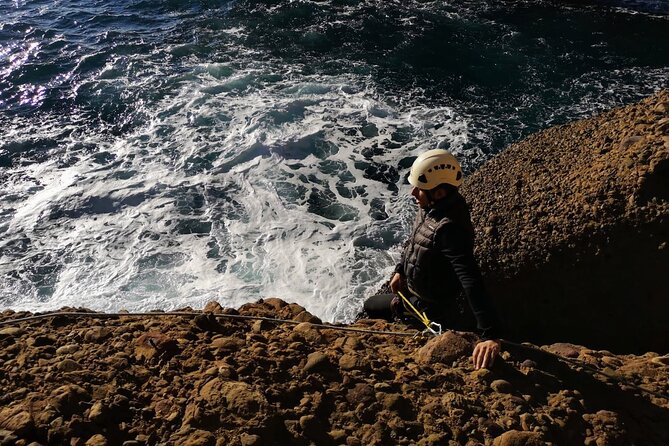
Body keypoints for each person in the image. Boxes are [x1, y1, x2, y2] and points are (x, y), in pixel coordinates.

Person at [364, 149, 502, 370]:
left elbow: (470, 278)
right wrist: (400, 270)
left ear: (438, 193)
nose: (413, 193)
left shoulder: (450, 230)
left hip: (428, 306)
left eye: (420, 189)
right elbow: (416, 239)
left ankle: (410, 320)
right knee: (371, 305)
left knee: (370, 307)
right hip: (412, 290)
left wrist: (490, 334)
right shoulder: (431, 207)